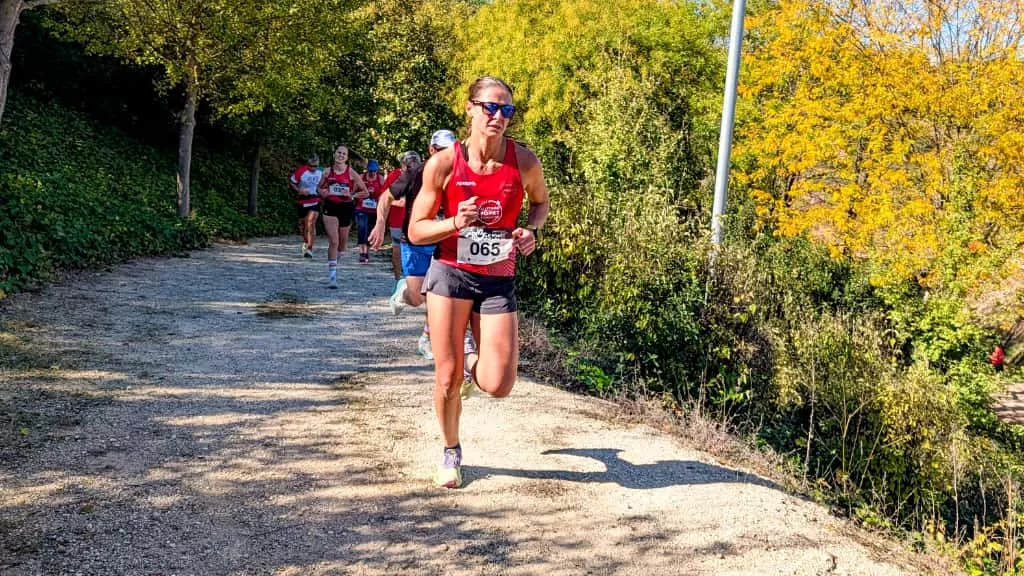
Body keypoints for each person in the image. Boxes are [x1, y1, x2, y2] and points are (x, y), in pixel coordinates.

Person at [408, 77, 549, 489]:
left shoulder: (523, 162)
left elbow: (540, 203)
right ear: (469, 108)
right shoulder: (444, 164)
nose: (498, 117)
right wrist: (455, 221)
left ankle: (471, 356)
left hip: (497, 277)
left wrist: (530, 231)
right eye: (489, 107)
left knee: (498, 384)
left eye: (506, 110)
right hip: (451, 274)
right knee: (447, 378)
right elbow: (416, 231)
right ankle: (451, 450)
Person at [317, 145, 369, 289]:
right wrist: (323, 193)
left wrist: (352, 195)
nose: (341, 155)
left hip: (346, 207)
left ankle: (334, 261)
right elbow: (319, 187)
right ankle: (332, 277)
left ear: (347, 157)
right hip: (331, 207)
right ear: (334, 155)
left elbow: (365, 192)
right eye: (339, 153)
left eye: (344, 154)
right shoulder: (327, 172)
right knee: (334, 241)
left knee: (342, 245)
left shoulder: (352, 173)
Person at [289, 154, 322, 258]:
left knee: (311, 222)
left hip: (315, 199)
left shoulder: (322, 172)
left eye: (315, 166)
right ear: (307, 164)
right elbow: (292, 183)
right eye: (311, 166)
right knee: (303, 226)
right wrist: (299, 190)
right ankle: (306, 242)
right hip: (302, 201)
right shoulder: (301, 171)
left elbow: (326, 184)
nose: (313, 168)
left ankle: (310, 248)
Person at [357, 159, 386, 264]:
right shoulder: (361, 177)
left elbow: (384, 194)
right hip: (361, 208)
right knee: (362, 228)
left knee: (369, 230)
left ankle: (367, 252)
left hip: (374, 209)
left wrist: (378, 199)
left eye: (374, 171)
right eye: (370, 171)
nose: (372, 173)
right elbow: (355, 190)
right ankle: (361, 252)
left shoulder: (381, 179)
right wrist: (362, 195)